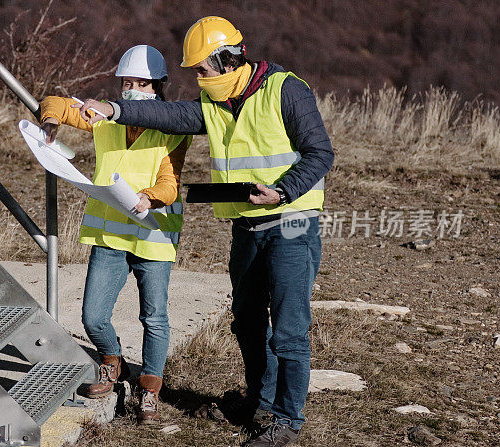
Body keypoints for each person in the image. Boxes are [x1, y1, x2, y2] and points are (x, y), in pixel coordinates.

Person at [75, 17, 334, 447]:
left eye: (201, 70)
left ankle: (287, 420)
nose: (197, 78)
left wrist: (284, 190)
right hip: (246, 228)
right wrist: (113, 109)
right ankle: (261, 401)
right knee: (248, 324)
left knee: (288, 329)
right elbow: (167, 114)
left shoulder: (286, 90)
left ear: (227, 61)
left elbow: (320, 152)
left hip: (291, 224)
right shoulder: (214, 105)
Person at [39, 45, 192, 424]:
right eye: (127, 81)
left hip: (153, 236)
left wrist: (151, 197)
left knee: (153, 317)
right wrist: (49, 121)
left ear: (157, 88)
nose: (132, 88)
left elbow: (171, 183)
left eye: (141, 83)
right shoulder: (105, 118)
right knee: (93, 317)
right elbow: (56, 101)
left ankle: (150, 390)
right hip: (110, 238)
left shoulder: (173, 128)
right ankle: (112, 361)